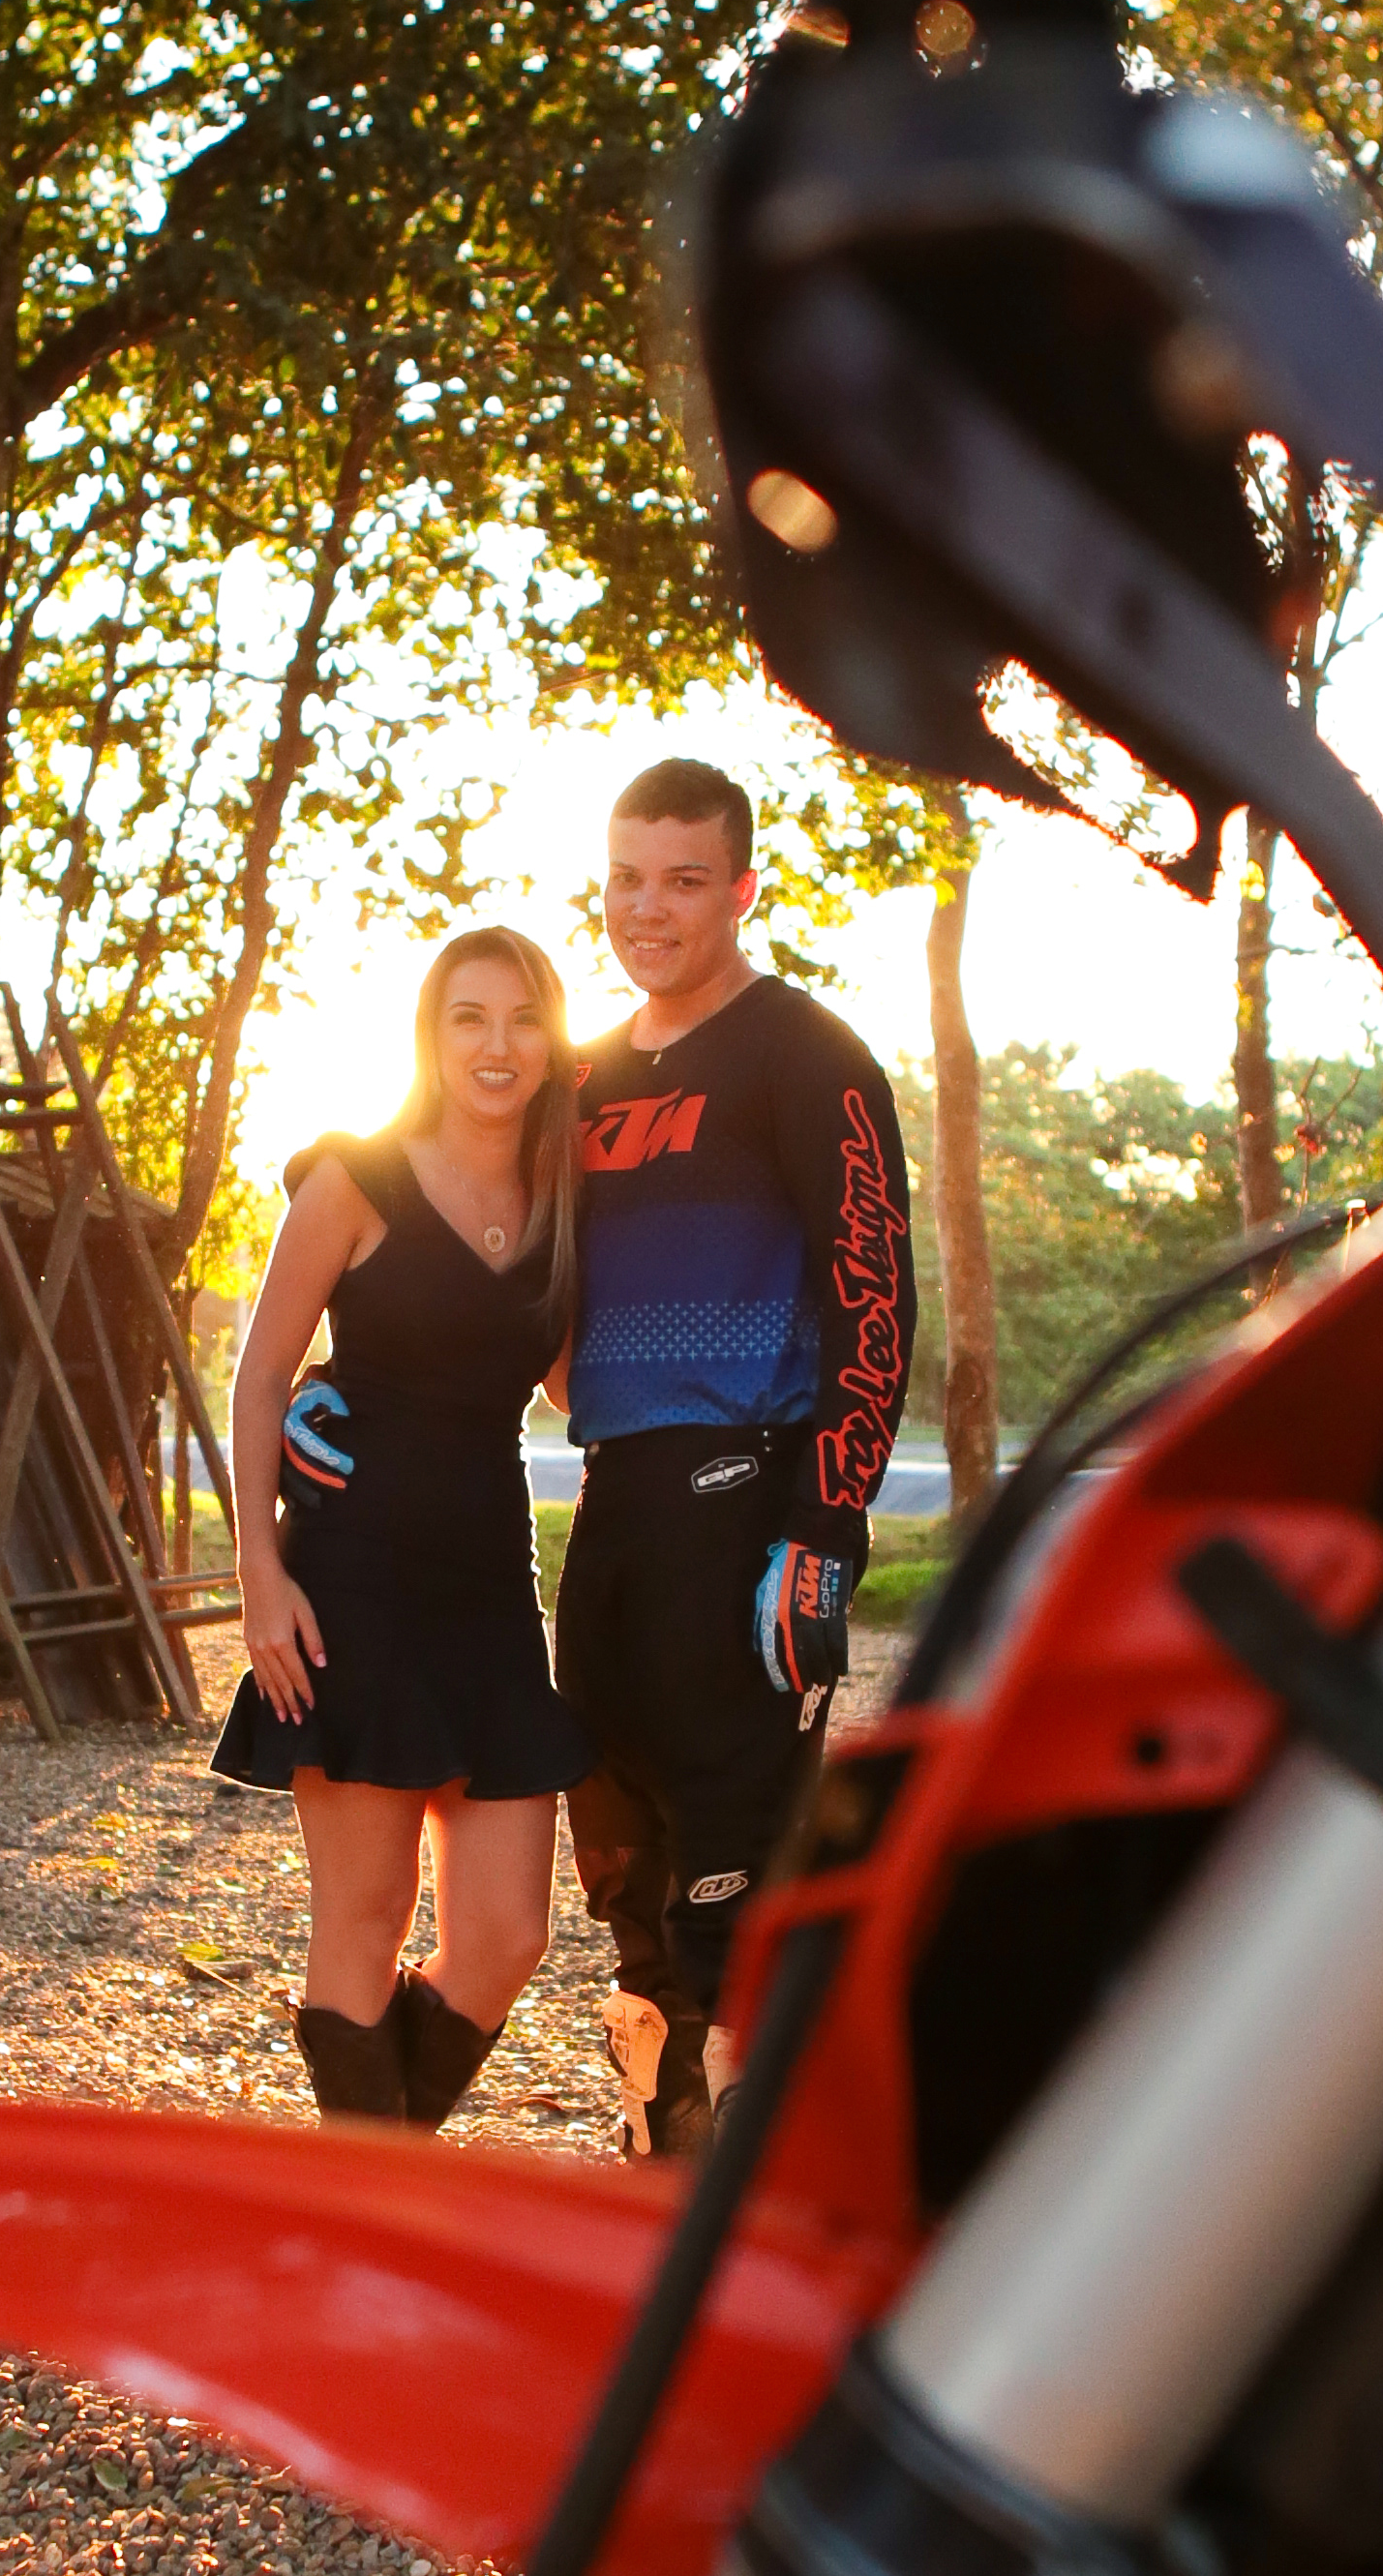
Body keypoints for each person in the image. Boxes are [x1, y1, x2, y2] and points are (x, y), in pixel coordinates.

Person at [556, 755, 915, 2154]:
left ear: (741, 889)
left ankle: (788, 2158)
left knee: (744, 1849)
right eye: (629, 877)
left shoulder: (809, 1057)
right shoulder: (581, 1078)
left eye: (684, 880)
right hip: (614, 1507)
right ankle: (664, 2136)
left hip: (754, 1502)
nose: (650, 908)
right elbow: (483, 1249)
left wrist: (824, 1530)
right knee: (619, 1852)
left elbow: (875, 1306)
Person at [212, 926, 590, 2129]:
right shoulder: (357, 1179)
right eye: (468, 1017)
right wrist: (258, 1572)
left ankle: (368, 2171)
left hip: (488, 1590)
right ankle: (363, 2213)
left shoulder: (565, 1200)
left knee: (508, 1936)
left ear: (552, 1039)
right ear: (430, 1036)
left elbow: (576, 1386)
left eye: (523, 1018)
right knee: (364, 1925)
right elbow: (260, 1376)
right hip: (354, 1585)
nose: (496, 1044)